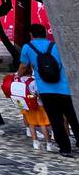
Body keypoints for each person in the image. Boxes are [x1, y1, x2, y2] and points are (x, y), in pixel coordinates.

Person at [21, 25, 79, 156]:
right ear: (46, 33)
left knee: (55, 119)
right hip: (65, 88)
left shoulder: (27, 47)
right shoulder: (56, 46)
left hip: (45, 90)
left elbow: (23, 66)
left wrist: (18, 75)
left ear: (31, 35)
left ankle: (65, 148)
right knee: (73, 117)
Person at [10, 59, 55, 153]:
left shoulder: (17, 79)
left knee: (31, 123)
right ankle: (49, 144)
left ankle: (35, 142)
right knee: (43, 124)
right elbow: (39, 94)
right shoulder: (33, 82)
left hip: (26, 104)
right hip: (38, 105)